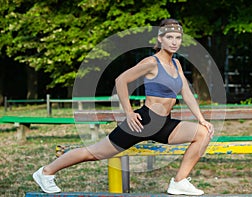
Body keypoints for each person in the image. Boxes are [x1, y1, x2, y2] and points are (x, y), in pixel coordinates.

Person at [33, 18, 214, 196]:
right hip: (143, 122)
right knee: (94, 153)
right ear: (160, 38)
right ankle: (46, 172)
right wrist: (128, 113)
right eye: (170, 37)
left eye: (178, 38)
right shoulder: (151, 62)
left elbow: (186, 92)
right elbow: (121, 80)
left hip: (164, 124)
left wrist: (201, 119)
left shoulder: (176, 64)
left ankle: (179, 182)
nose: (174, 42)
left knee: (202, 133)